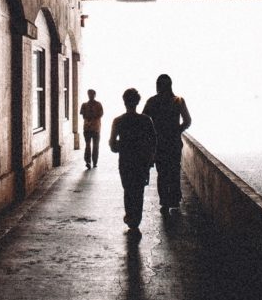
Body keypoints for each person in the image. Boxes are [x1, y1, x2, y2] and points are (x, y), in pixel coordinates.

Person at [108, 88, 157, 232]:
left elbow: (112, 145)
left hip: (125, 161)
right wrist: (150, 158)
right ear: (138, 102)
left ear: (124, 102)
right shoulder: (146, 120)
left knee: (128, 190)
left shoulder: (118, 121)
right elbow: (153, 141)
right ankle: (136, 219)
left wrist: (120, 147)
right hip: (142, 161)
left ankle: (130, 217)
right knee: (139, 190)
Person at [142, 74, 192, 214]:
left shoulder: (152, 101)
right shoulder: (178, 101)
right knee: (174, 171)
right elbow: (187, 121)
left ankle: (164, 202)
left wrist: (151, 135)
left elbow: (144, 120)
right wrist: (177, 130)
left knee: (162, 173)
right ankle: (174, 201)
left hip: (159, 143)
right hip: (174, 143)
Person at [79, 89, 104, 169]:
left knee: (94, 146)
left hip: (94, 128)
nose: (90, 96)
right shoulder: (85, 105)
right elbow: (84, 116)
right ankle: (89, 161)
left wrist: (90, 117)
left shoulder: (96, 104)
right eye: (89, 94)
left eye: (92, 94)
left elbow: (100, 115)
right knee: (89, 145)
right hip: (90, 128)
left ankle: (94, 161)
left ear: (94, 95)